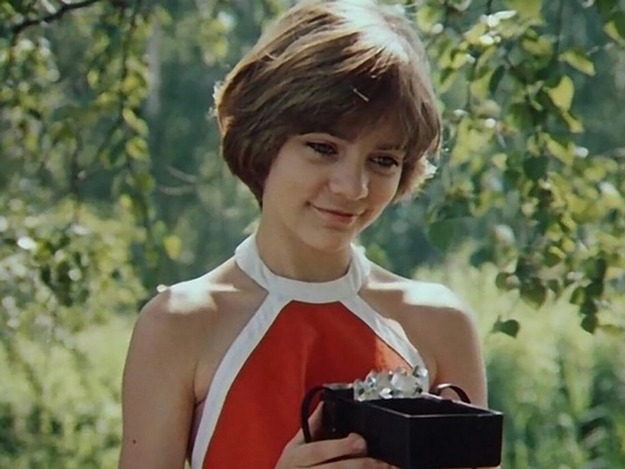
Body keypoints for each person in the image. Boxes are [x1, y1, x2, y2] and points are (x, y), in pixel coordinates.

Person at [119, 0, 492, 468]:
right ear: (263, 139)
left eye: (383, 160)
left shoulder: (438, 324)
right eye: (323, 148)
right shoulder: (179, 325)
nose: (353, 187)